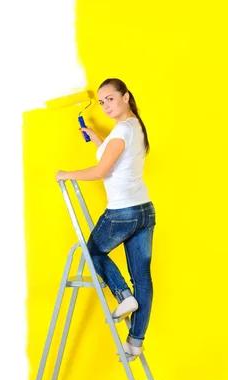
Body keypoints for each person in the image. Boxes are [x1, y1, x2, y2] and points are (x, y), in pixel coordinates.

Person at [55, 78, 156, 359]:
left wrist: (66, 174)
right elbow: (116, 156)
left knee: (91, 252)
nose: (105, 106)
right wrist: (96, 137)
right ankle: (135, 342)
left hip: (123, 211)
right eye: (101, 102)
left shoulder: (122, 130)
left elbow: (101, 171)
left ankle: (123, 296)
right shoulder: (134, 127)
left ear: (125, 96)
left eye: (110, 99)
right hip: (144, 210)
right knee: (143, 278)